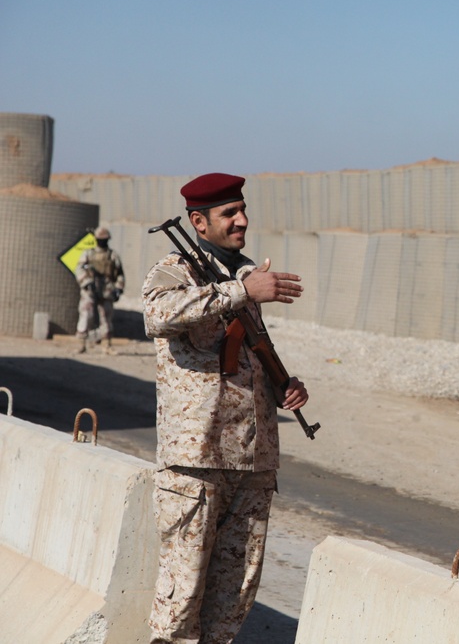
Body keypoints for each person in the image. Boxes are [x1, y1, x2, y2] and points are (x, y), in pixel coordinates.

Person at [141, 172, 309, 643]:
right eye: (228, 213)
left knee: (232, 600)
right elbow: (157, 316)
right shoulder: (176, 270)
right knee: (182, 601)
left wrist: (284, 386)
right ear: (199, 221)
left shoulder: (242, 274)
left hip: (252, 463)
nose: (242, 220)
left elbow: (246, 353)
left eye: (242, 209)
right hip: (197, 462)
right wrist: (241, 292)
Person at [75, 225, 125, 354]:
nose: (102, 242)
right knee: (86, 315)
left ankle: (106, 345)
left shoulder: (112, 255)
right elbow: (79, 269)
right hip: (90, 288)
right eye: (100, 239)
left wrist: (119, 288)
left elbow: (119, 273)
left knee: (106, 317)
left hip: (107, 288)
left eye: (104, 239)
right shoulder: (88, 253)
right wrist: (86, 282)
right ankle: (81, 343)